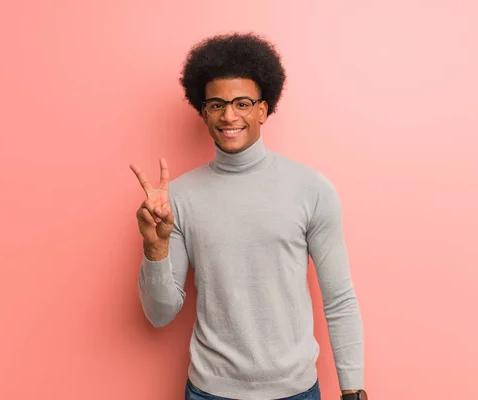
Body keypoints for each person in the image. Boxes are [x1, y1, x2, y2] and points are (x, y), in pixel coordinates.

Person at [130, 32, 367, 400]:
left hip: (296, 391)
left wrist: (353, 391)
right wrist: (155, 248)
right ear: (203, 110)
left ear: (263, 108)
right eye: (216, 104)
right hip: (211, 392)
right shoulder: (177, 198)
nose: (229, 116)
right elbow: (160, 315)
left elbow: (339, 298)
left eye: (242, 103)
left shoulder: (311, 188)